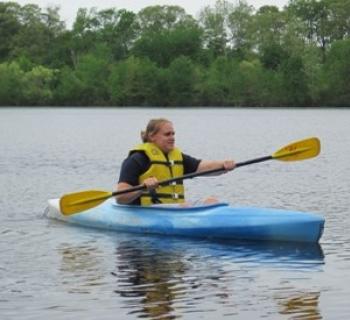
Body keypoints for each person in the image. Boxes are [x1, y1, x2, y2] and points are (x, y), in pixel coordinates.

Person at [116, 118, 235, 206]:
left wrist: (223, 165)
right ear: (152, 136)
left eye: (173, 134)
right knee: (185, 206)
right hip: (147, 210)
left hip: (174, 209)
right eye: (167, 134)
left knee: (211, 201)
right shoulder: (136, 159)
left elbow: (203, 167)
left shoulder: (177, 157)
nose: (172, 137)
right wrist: (142, 188)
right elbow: (120, 197)